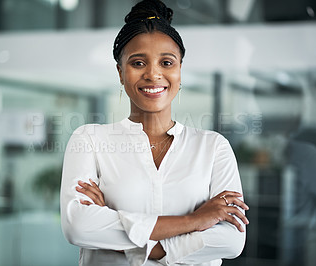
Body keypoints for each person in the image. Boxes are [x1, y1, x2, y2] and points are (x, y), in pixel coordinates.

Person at [60, 0, 249, 265]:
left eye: (167, 62)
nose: (153, 74)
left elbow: (231, 240)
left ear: (180, 70)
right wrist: (194, 221)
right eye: (138, 63)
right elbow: (79, 227)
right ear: (120, 72)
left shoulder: (213, 147)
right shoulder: (90, 140)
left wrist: (116, 229)